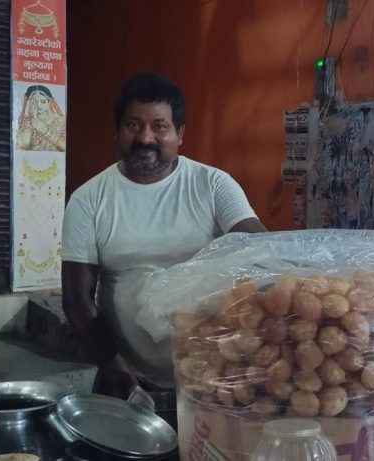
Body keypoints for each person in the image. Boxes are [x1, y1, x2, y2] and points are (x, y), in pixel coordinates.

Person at [61, 73, 267, 412]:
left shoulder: (213, 185)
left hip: (215, 380)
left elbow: (260, 251)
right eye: (133, 125)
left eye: (160, 126)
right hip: (127, 380)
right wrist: (116, 371)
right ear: (117, 131)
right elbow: (76, 298)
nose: (145, 138)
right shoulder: (89, 200)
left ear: (180, 134)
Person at [16, 85, 67, 152]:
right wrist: (33, 118)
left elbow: (64, 148)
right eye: (34, 102)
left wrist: (43, 129)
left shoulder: (60, 121)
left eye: (43, 101)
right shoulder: (26, 121)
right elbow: (22, 146)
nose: (39, 106)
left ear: (49, 102)